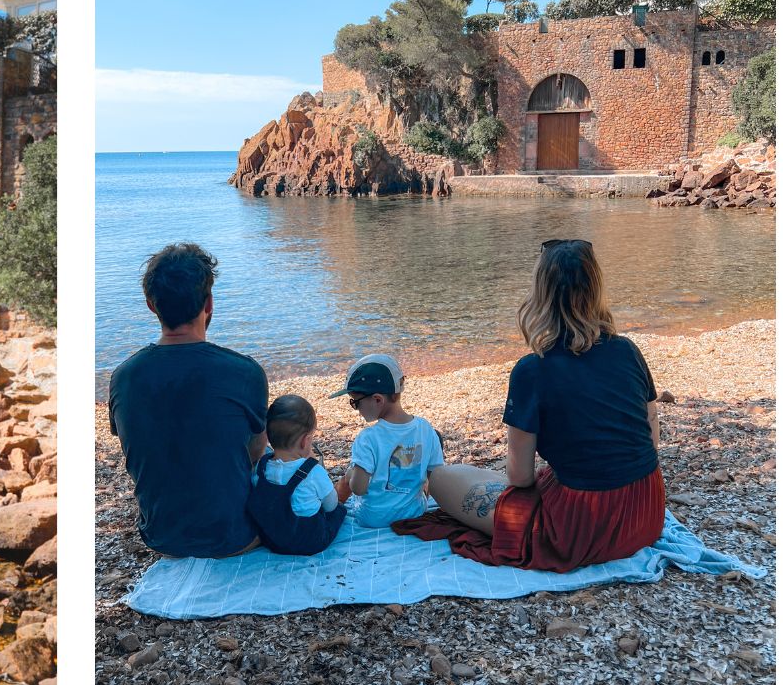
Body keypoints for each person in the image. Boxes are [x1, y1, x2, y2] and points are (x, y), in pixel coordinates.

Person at [396, 240, 665, 572]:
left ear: (541, 295)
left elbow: (520, 477)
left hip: (579, 528)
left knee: (441, 478)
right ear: (596, 288)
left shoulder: (532, 370)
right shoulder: (628, 351)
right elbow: (650, 440)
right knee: (497, 478)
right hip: (645, 510)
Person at [108, 243, 268, 558]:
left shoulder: (122, 377)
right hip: (234, 538)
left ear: (151, 306)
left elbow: (139, 447)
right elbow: (255, 450)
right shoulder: (244, 372)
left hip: (161, 537)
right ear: (208, 303)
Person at [333, 354, 445, 530]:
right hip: (413, 515)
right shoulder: (426, 429)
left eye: (355, 402)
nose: (355, 409)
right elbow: (438, 478)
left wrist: (351, 474)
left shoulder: (367, 438)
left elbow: (359, 489)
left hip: (372, 520)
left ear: (377, 399)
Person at [246, 394, 348, 555]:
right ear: (305, 441)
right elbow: (331, 504)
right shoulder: (313, 471)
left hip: (272, 540)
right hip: (310, 542)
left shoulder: (262, 466)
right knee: (339, 511)